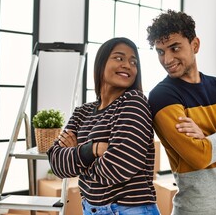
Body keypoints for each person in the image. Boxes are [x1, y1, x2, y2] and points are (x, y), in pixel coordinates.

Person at [146, 10, 216, 215]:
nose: (167, 59)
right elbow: (198, 156)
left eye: (174, 48)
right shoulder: (162, 97)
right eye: (160, 52)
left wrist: (206, 139)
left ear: (195, 45)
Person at [47, 37, 160, 215]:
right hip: (90, 209)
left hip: (130, 210)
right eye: (119, 58)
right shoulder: (81, 112)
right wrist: (94, 149)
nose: (128, 65)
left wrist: (77, 158)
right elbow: (56, 164)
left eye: (133, 61)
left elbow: (118, 167)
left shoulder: (134, 102)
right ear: (101, 63)